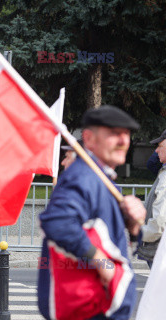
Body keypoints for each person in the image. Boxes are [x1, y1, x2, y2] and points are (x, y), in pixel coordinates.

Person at [37, 105, 146, 320]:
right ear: (89, 139)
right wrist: (103, 264)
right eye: (114, 134)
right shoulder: (83, 176)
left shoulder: (100, 177)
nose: (124, 141)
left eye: (127, 134)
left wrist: (133, 226)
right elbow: (58, 222)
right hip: (90, 307)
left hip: (95, 305)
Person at [137, 130, 166, 268]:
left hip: (159, 249)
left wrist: (138, 233)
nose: (156, 150)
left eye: (160, 146)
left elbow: (158, 223)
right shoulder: (163, 173)